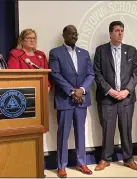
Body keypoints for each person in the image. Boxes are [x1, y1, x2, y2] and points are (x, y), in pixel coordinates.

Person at [93, 21, 137, 171]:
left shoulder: (131, 50)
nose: (120, 33)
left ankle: (128, 158)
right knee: (107, 129)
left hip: (126, 98)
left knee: (126, 129)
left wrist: (127, 91)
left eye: (122, 30)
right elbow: (97, 73)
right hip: (107, 98)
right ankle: (105, 159)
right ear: (110, 33)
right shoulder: (101, 50)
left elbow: (136, 73)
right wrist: (110, 90)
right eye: (116, 30)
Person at [48, 25, 95, 178]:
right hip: (65, 99)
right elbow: (55, 75)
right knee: (63, 133)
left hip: (82, 99)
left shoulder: (84, 53)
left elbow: (90, 74)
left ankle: (82, 163)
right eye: (71, 33)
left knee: (80, 132)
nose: (74, 36)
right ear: (64, 35)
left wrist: (82, 89)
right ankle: (61, 166)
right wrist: (72, 91)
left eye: (76, 34)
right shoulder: (55, 53)